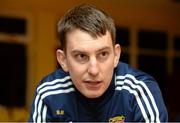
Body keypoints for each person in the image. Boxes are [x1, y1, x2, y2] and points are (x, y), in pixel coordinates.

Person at [28, 4, 168, 122]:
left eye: (103, 54)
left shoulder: (139, 91)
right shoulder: (49, 94)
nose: (94, 70)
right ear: (63, 60)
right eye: (81, 56)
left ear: (116, 55)